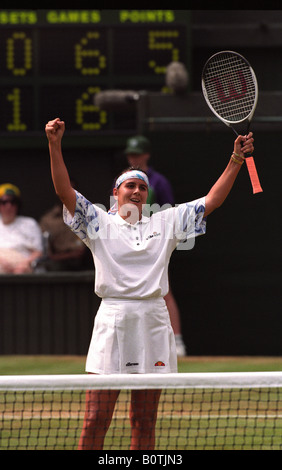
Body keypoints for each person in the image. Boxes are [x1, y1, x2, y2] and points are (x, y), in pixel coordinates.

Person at [45, 117, 254, 450]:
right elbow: (64, 191)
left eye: (142, 186)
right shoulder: (98, 221)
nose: (137, 190)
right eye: (130, 185)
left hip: (153, 323)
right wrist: (55, 144)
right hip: (113, 321)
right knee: (96, 418)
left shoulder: (166, 222)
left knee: (143, 420)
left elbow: (212, 200)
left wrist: (236, 161)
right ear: (116, 194)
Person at [123, 135, 186, 356]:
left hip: (154, 243)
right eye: (131, 154)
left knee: (163, 291)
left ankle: (177, 342)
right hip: (126, 243)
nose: (134, 158)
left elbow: (170, 213)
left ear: (146, 155)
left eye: (138, 154)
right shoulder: (121, 181)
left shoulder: (159, 182)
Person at [0, 183, 43, 274]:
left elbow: (39, 252)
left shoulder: (29, 223)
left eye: (13, 202)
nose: (9, 206)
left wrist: (25, 264)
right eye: (4, 202)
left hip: (24, 268)